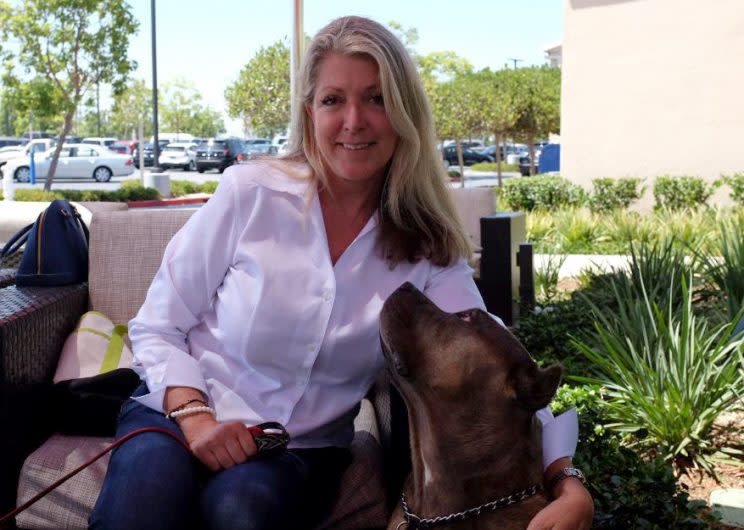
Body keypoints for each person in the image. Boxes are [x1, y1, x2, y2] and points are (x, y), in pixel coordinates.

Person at [90, 15, 593, 530]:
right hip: (176, 415)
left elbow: (493, 368)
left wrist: (565, 477)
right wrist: (194, 417)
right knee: (138, 509)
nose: (354, 120)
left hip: (295, 449)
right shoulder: (250, 193)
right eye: (334, 100)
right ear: (310, 113)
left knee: (240, 511)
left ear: (404, 115)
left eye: (376, 99)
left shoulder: (426, 248)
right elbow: (158, 323)